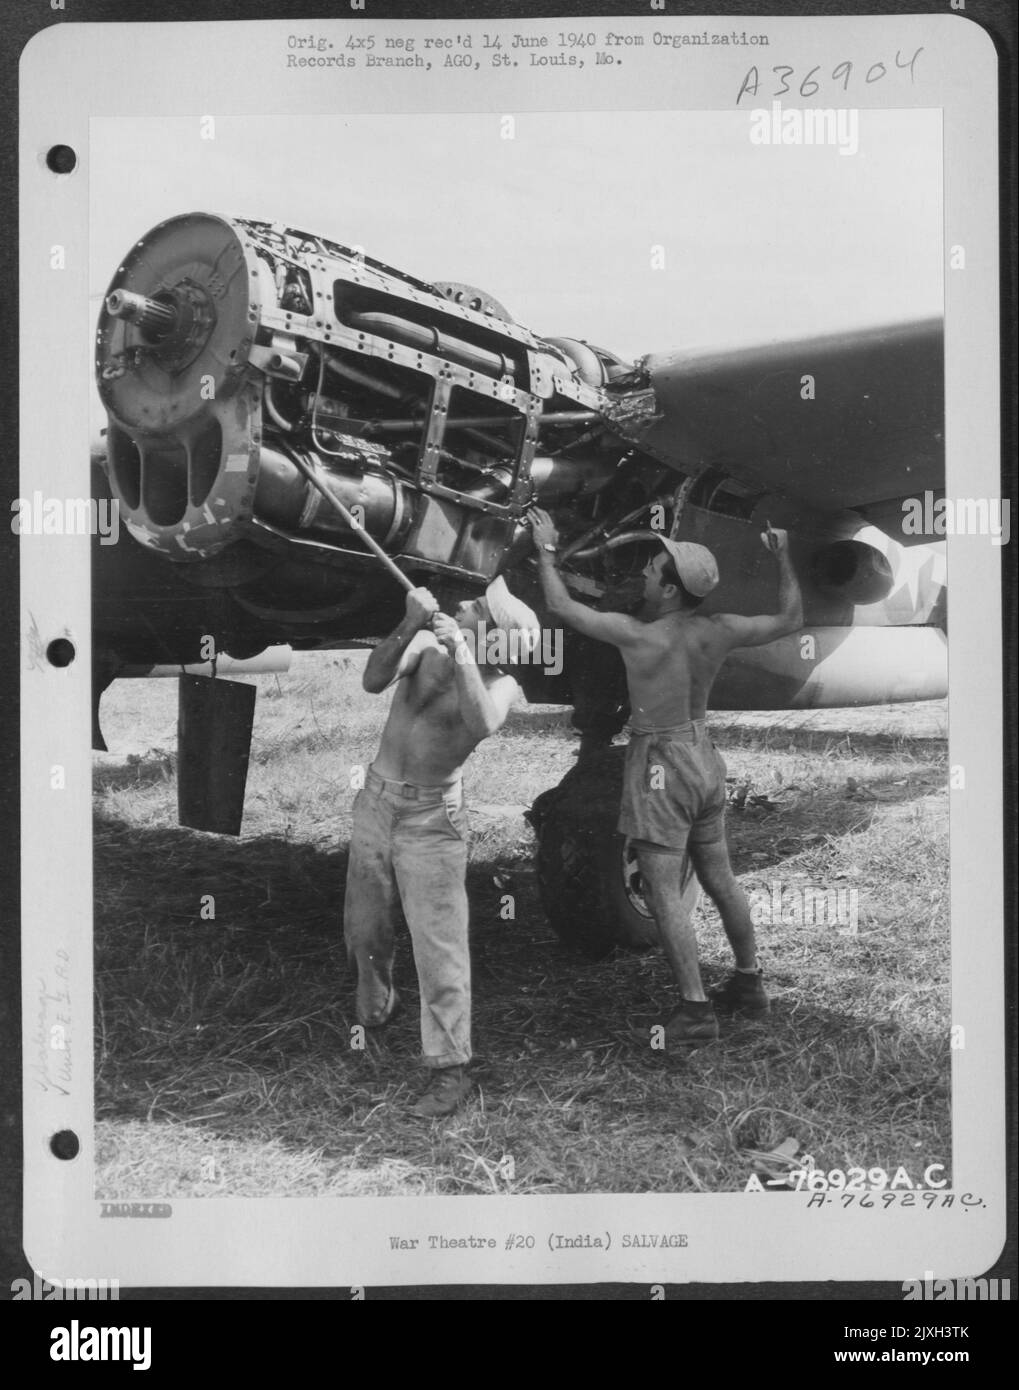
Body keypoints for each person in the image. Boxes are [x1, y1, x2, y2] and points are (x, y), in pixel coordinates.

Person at [527, 506, 804, 1045]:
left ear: (672, 591)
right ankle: (749, 984)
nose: (646, 575)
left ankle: (696, 1011)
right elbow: (791, 619)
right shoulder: (720, 629)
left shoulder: (637, 636)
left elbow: (560, 604)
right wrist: (785, 556)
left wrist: (545, 548)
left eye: (654, 571)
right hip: (704, 755)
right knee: (720, 877)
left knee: (661, 888)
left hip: (661, 762)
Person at [343, 576, 540, 1116]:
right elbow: (371, 679)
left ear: (492, 638)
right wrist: (408, 622)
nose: (465, 604)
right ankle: (377, 1004)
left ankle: (450, 1068)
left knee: (440, 947)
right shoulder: (424, 644)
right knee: (365, 927)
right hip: (377, 802)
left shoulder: (502, 684)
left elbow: (481, 724)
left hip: (432, 819)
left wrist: (463, 652)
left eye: (477, 607)